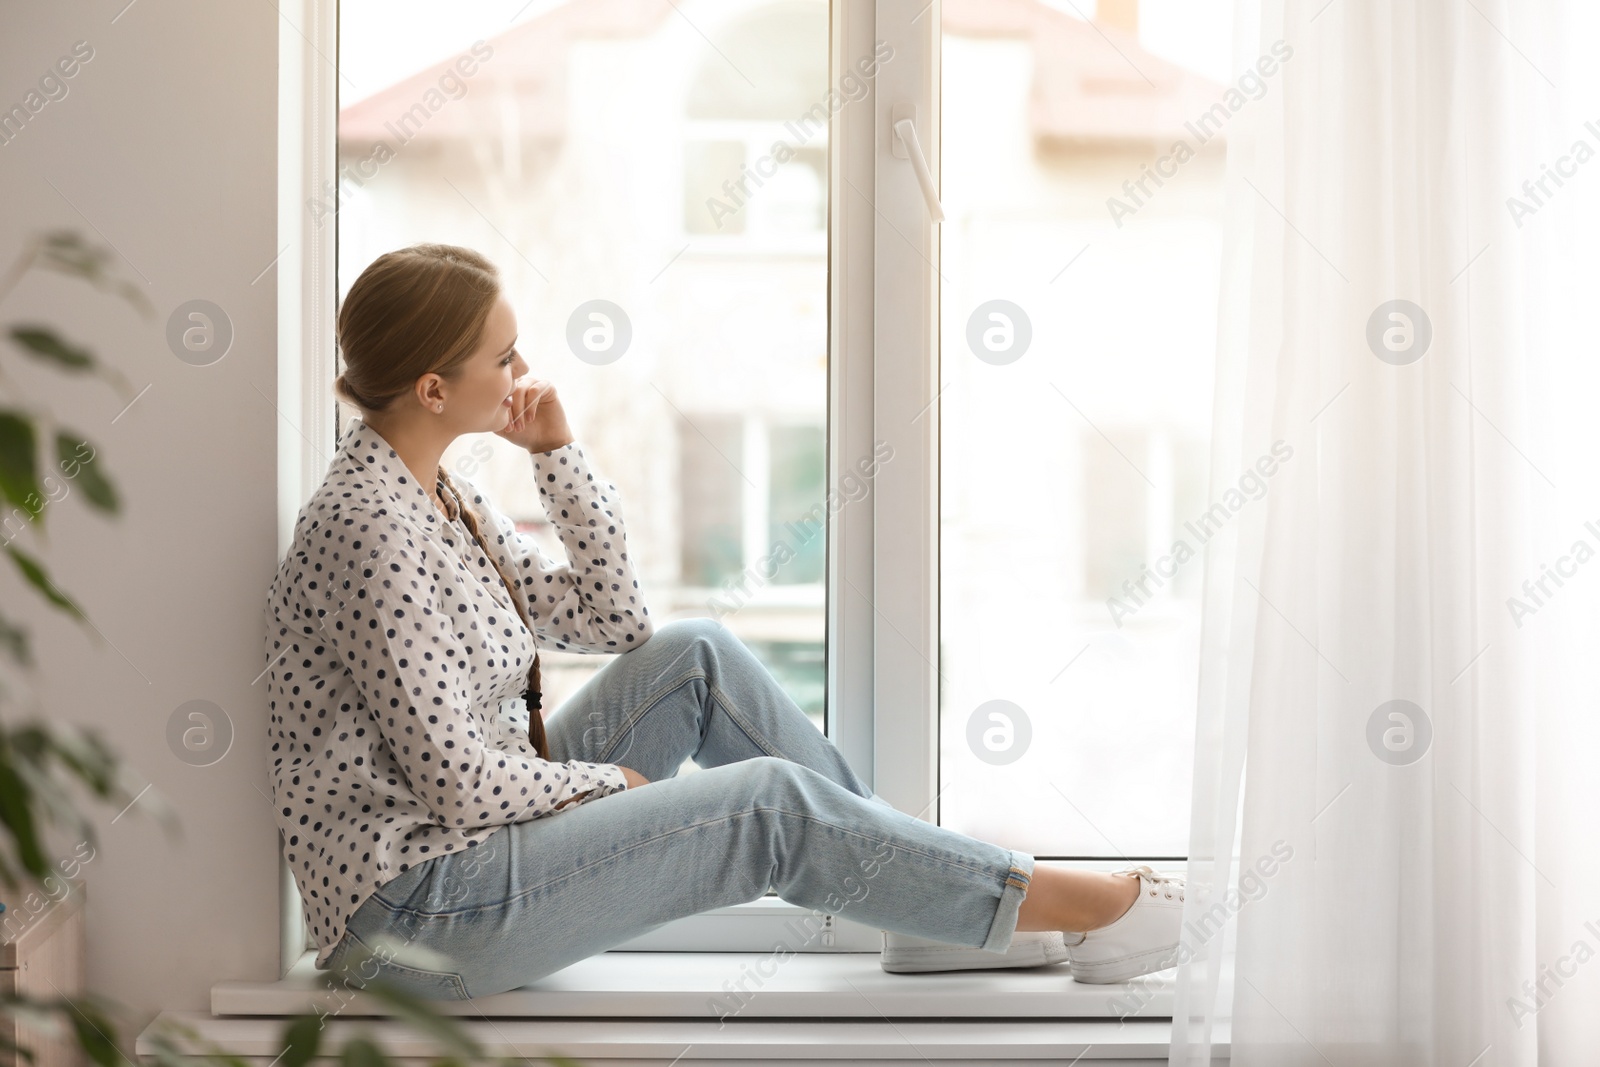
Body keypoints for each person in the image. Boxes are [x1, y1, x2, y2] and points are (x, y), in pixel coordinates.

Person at [262, 243, 1185, 1001]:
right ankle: (1091, 905)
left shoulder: (439, 494)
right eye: (503, 357)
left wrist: (557, 456)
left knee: (690, 654)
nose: (521, 371)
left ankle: (924, 904)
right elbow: (458, 780)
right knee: (768, 806)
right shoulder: (367, 529)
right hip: (416, 916)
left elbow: (616, 621)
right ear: (432, 390)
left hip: (472, 848)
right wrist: (604, 784)